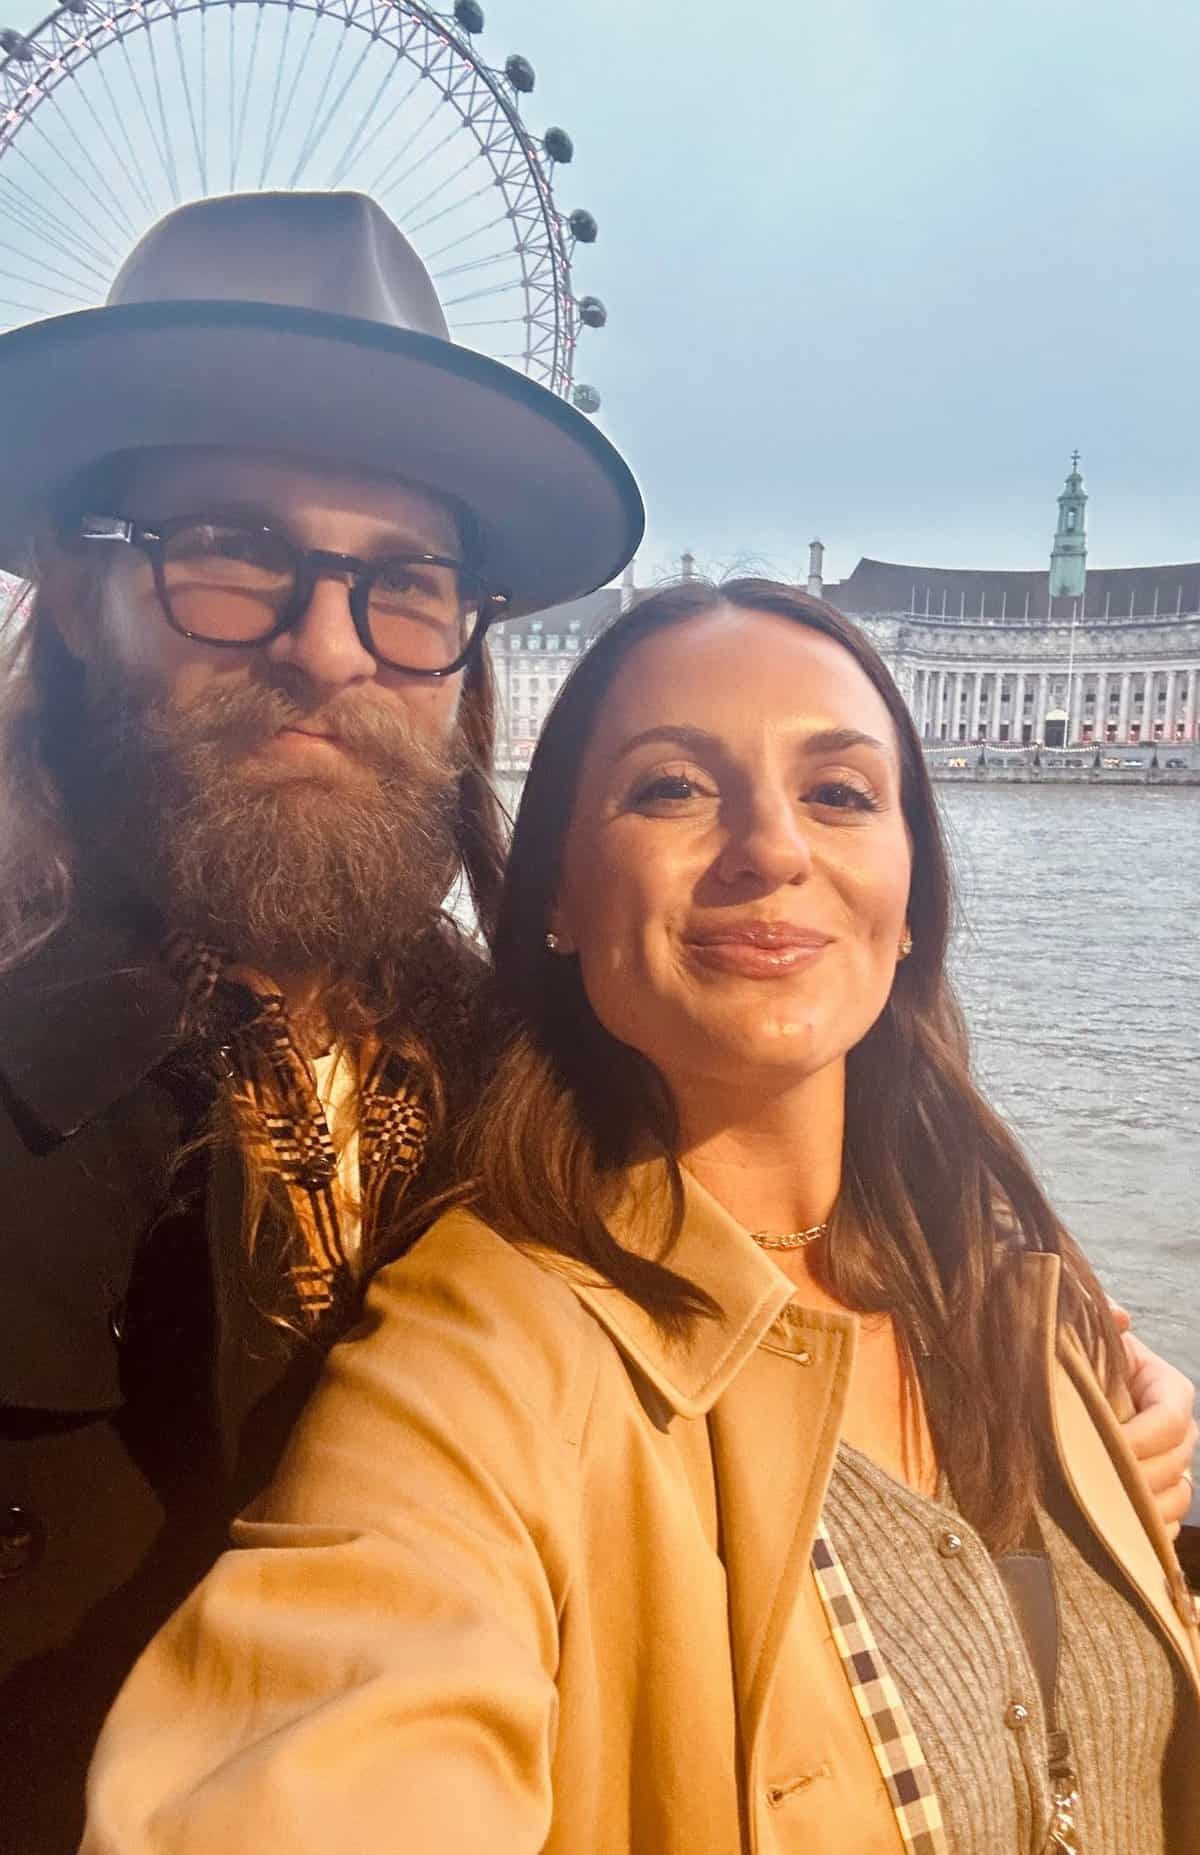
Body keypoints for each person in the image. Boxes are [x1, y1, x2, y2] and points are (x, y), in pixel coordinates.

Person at [85, 580, 1200, 1854]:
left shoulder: (1012, 1291)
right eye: (671, 787)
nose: (772, 848)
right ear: (556, 892)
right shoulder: (479, 1360)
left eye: (839, 793)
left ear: (909, 902)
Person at [0, 188, 644, 1852]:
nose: (325, 647)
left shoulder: (538, 1064)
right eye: (231, 555)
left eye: (403, 586)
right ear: (79, 595)